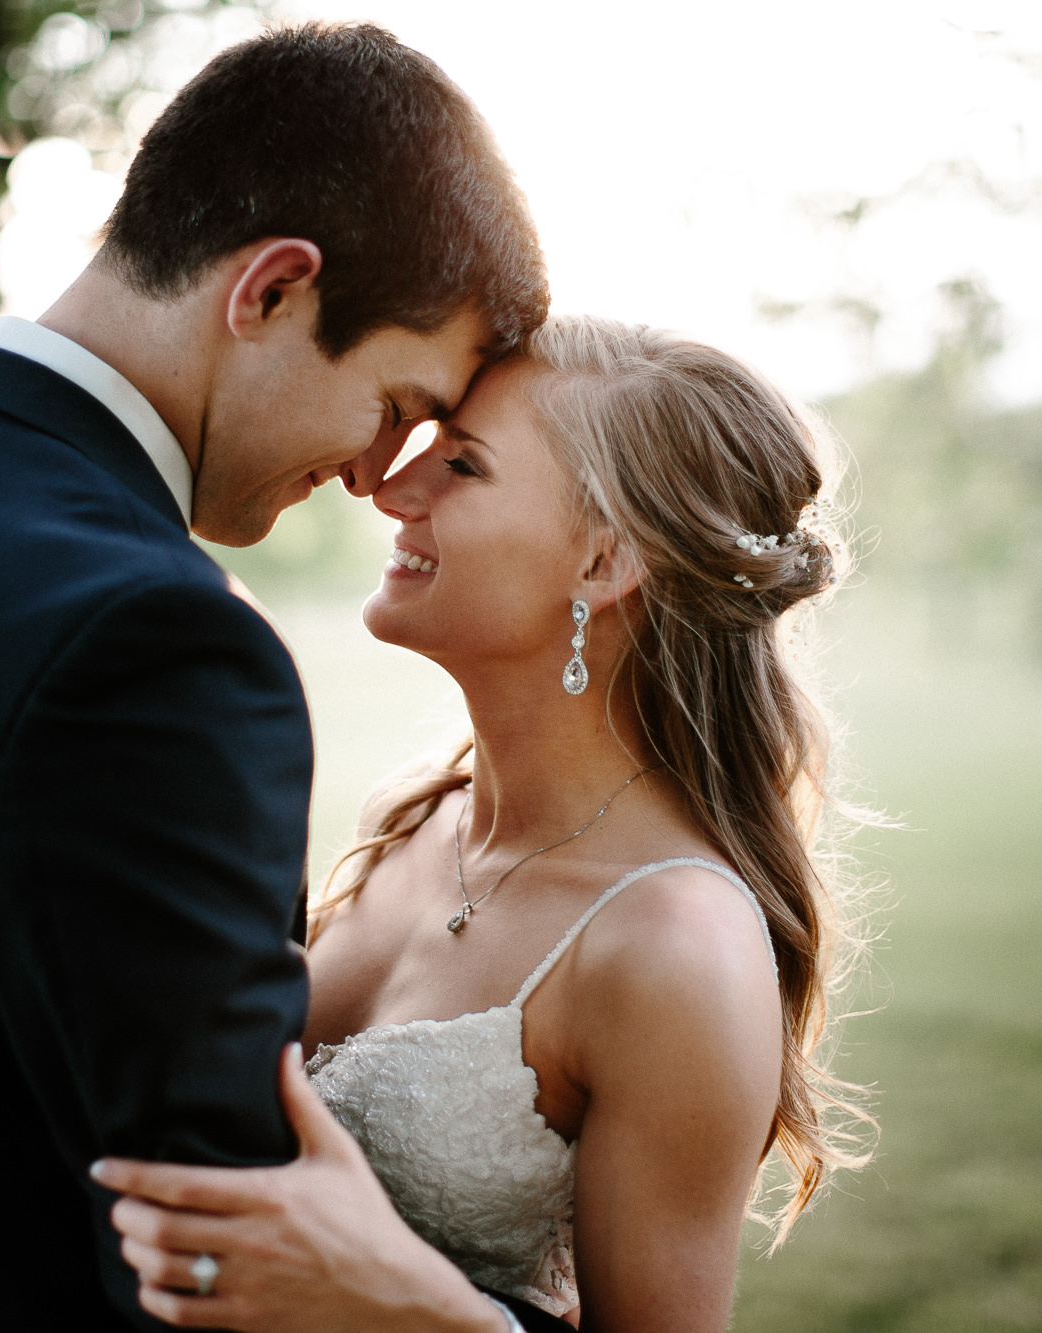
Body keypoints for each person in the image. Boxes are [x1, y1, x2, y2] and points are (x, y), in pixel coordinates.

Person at [0, 23, 556, 1333]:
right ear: (272, 290)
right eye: (392, 405)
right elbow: (221, 1263)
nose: (379, 478)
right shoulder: (152, 641)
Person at [94, 317, 875, 1332]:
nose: (388, 488)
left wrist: (399, 1303)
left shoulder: (672, 946)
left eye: (459, 463)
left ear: (602, 562)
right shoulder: (416, 817)